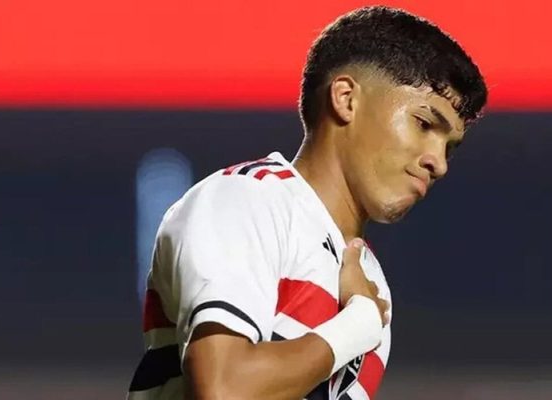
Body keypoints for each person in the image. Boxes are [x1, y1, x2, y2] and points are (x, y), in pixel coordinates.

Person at [128, 5, 487, 400]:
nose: (438, 162)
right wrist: (355, 326)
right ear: (346, 99)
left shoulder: (370, 286)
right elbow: (223, 390)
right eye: (424, 124)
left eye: (449, 147)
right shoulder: (248, 200)